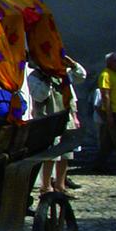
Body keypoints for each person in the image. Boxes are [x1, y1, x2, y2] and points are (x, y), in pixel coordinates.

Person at [26, 55, 81, 195]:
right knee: (50, 154)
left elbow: (81, 77)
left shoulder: (63, 74)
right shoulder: (34, 77)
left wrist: (73, 64)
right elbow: (41, 96)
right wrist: (47, 78)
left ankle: (60, 185)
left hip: (65, 117)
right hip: (47, 120)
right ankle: (46, 186)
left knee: (66, 154)